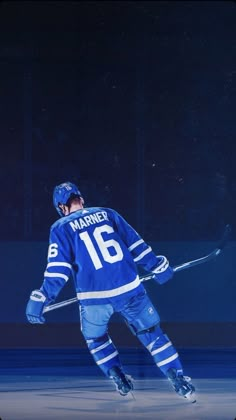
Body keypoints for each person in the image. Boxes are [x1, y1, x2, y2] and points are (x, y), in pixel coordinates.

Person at [26, 181, 196, 402]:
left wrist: (43, 296)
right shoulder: (107, 214)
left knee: (95, 338)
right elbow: (136, 245)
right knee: (152, 333)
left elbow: (59, 270)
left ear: (61, 208)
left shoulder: (60, 227)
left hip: (94, 298)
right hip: (129, 289)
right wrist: (156, 265)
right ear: (82, 199)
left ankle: (117, 375)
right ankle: (178, 378)